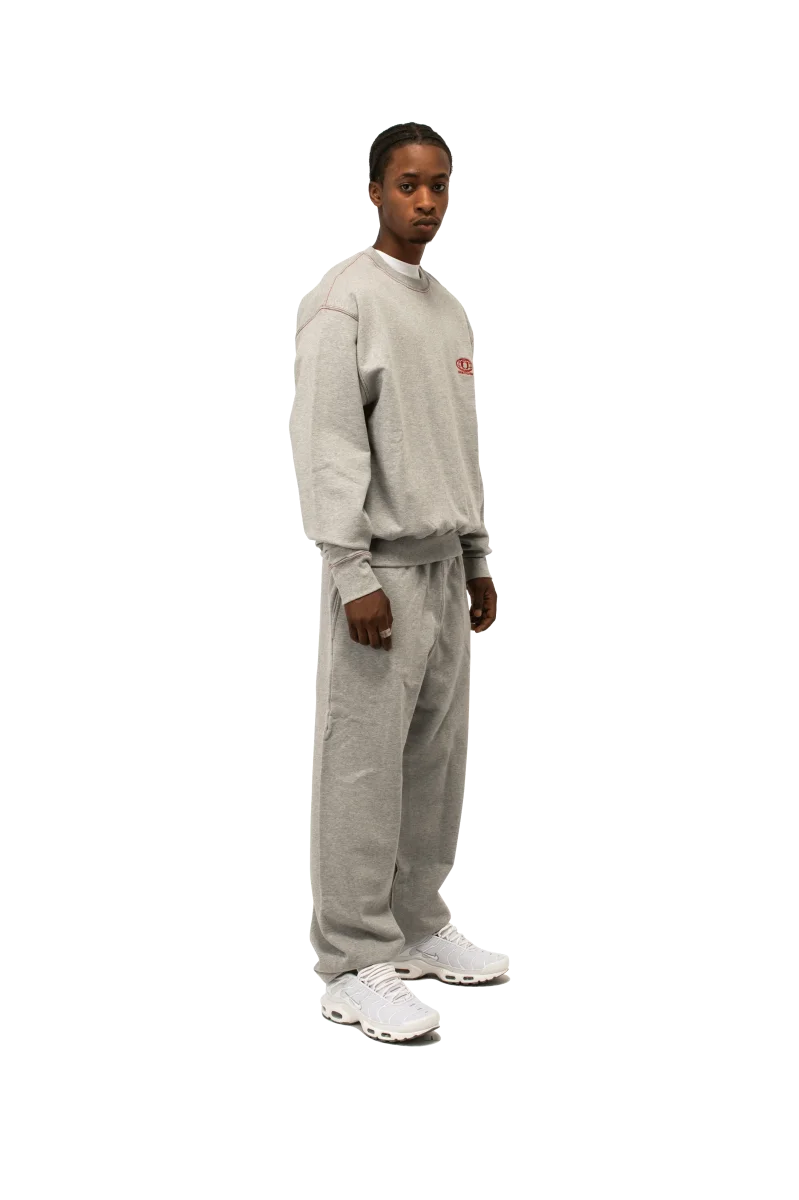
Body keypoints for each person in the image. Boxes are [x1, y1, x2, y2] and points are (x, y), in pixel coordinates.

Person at [289, 123, 507, 1044]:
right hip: (378, 574)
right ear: (375, 190)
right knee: (363, 769)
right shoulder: (344, 304)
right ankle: (349, 960)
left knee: (434, 765)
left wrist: (476, 557)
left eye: (438, 185)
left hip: (443, 570)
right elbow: (328, 446)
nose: (426, 201)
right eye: (408, 184)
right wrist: (351, 574)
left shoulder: (447, 309)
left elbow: (458, 444)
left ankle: (416, 927)